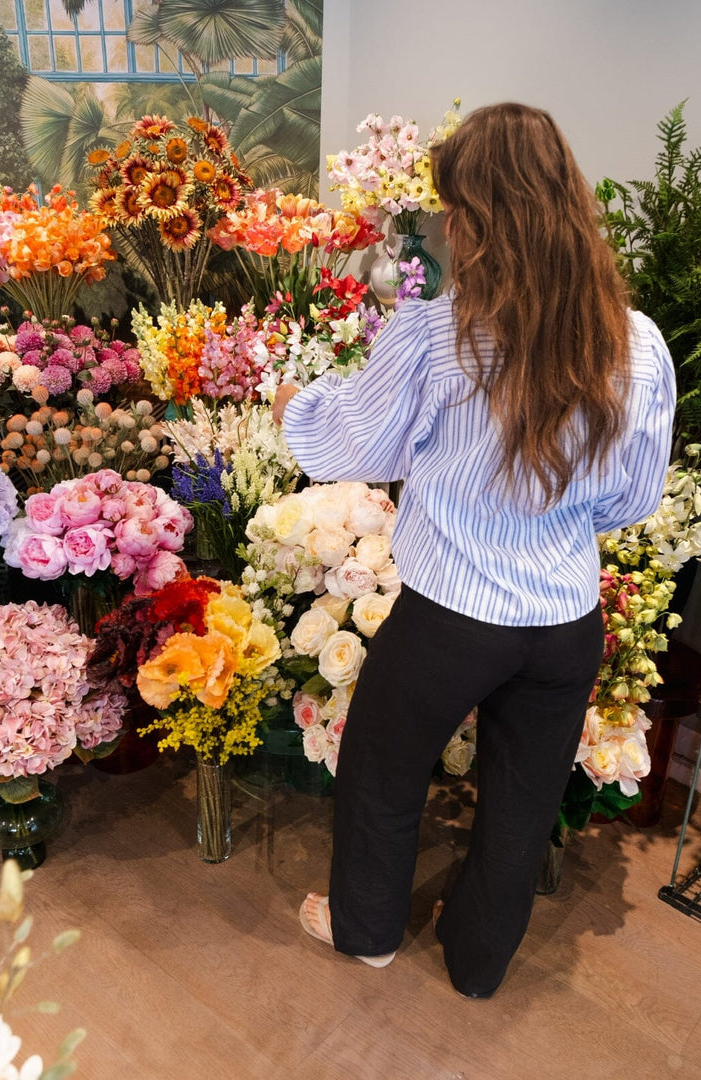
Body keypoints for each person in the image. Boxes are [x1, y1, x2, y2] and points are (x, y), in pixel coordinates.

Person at [272, 102, 676, 998]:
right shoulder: (636, 344)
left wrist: (292, 407)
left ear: (484, 219)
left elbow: (352, 445)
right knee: (524, 801)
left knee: (382, 770)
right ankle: (478, 963)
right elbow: (633, 498)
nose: (448, 226)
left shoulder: (440, 333)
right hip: (565, 621)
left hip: (450, 618)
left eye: (455, 208)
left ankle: (368, 933)